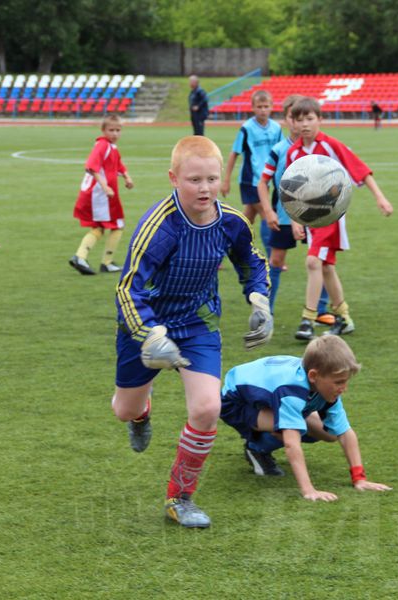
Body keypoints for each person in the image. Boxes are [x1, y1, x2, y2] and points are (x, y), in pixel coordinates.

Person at [111, 135, 273, 529]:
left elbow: (252, 262)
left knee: (207, 408)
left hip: (199, 322)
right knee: (123, 409)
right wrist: (150, 335)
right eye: (194, 180)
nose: (204, 188)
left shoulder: (232, 222)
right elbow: (127, 289)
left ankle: (180, 498)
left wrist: (260, 300)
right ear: (174, 178)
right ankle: (141, 413)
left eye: (211, 179)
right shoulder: (160, 227)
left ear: (222, 180)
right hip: (146, 324)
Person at [220, 335, 392, 501]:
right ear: (313, 376)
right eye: (339, 382)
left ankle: (266, 439)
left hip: (270, 395)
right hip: (235, 403)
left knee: (329, 433)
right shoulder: (291, 390)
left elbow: (344, 432)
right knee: (290, 429)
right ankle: (256, 449)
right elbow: (291, 442)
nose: (344, 388)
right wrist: (309, 490)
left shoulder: (322, 383)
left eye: (346, 381)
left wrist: (359, 479)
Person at [285, 97, 393, 340]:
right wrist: (294, 220)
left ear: (320, 120)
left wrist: (380, 198)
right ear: (292, 122)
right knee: (325, 267)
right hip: (310, 219)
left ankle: (308, 319)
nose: (304, 124)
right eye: (299, 119)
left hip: (331, 216)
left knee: (313, 262)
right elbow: (290, 191)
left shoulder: (331, 145)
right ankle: (344, 318)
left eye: (310, 119)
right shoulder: (293, 153)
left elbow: (360, 170)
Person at [256, 94, 332, 323]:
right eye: (293, 117)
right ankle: (265, 311)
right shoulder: (280, 149)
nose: (300, 123)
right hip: (284, 216)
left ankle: (321, 310)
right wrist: (268, 211)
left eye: (304, 118)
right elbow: (263, 182)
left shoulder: (319, 147)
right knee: (276, 260)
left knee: (322, 260)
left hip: (314, 215)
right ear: (288, 120)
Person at [69, 114, 134, 276]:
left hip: (101, 195)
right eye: (111, 130)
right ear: (103, 130)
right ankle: (104, 262)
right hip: (99, 195)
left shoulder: (112, 147)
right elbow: (92, 166)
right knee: (116, 225)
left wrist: (127, 177)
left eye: (118, 130)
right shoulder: (102, 145)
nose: (115, 134)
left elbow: (118, 164)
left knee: (100, 227)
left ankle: (82, 257)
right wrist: (105, 187)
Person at [222, 89, 283, 227]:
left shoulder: (276, 128)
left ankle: (231, 241)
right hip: (250, 179)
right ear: (253, 108)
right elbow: (234, 153)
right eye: (259, 107)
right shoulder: (247, 128)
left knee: (249, 216)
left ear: (272, 107)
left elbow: (281, 153)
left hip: (266, 178)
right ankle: (271, 248)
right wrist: (226, 180)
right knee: (268, 215)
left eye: (266, 106)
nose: (263, 110)